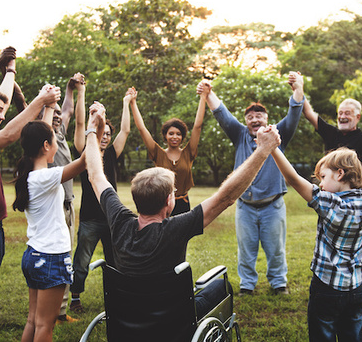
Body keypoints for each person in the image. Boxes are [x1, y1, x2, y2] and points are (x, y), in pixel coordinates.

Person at [84, 103, 281, 320]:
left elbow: (95, 175)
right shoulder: (177, 228)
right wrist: (263, 151)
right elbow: (226, 197)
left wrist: (92, 129)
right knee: (221, 286)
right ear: (170, 201)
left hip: (128, 314)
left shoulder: (119, 221)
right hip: (172, 316)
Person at [0, 49, 60, 342]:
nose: (3, 117)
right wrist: (40, 102)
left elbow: (0, 105)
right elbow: (8, 135)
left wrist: (10, 72)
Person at [266, 123, 362, 341]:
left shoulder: (329, 203)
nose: (320, 184)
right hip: (356, 289)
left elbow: (293, 178)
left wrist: (273, 147)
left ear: (340, 174)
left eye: (323, 177)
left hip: (326, 288)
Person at [197, 72, 305, 295]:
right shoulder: (239, 135)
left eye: (259, 116)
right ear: (246, 122)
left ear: (267, 119)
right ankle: (247, 285)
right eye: (250, 117)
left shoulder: (278, 134)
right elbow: (221, 113)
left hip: (272, 206)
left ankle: (278, 284)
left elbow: (294, 113)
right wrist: (209, 93)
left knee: (276, 250)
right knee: (246, 250)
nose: (255, 120)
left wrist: (298, 88)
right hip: (245, 206)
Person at [12, 109, 89, 342]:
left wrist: (47, 106)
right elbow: (85, 161)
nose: (57, 144)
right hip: (51, 257)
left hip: (34, 255)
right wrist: (94, 126)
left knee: (33, 320)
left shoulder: (28, 174)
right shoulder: (46, 177)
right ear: (46, 145)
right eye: (54, 140)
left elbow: (41, 135)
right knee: (46, 325)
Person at [302, 96, 362, 305]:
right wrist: (298, 89)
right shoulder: (332, 133)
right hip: (329, 200)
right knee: (329, 242)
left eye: (347, 113)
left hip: (354, 202)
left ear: (358, 116)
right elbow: (309, 113)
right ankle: (330, 280)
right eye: (340, 113)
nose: (342, 116)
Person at [69, 86, 135, 313]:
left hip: (112, 219)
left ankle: (116, 297)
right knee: (82, 262)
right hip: (89, 219)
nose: (105, 137)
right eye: (102, 133)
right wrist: (81, 94)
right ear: (95, 133)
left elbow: (125, 131)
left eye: (108, 134)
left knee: (115, 261)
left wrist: (127, 103)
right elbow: (79, 126)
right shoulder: (85, 154)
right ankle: (75, 298)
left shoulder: (113, 155)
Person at [45, 73, 85, 324]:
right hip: (54, 206)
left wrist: (70, 88)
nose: (59, 115)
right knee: (59, 255)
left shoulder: (59, 135)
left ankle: (58, 310)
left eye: (59, 112)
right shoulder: (43, 136)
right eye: (53, 112)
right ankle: (55, 313)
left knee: (66, 255)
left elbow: (68, 111)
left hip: (68, 204)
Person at [131, 83, 207, 216]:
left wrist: (203, 97)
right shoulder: (157, 153)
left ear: (183, 137)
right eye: (171, 133)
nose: (175, 137)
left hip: (183, 203)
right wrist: (133, 103)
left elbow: (197, 126)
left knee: (182, 237)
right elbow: (142, 129)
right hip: (160, 204)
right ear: (165, 136)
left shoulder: (188, 153)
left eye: (178, 134)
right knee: (161, 236)